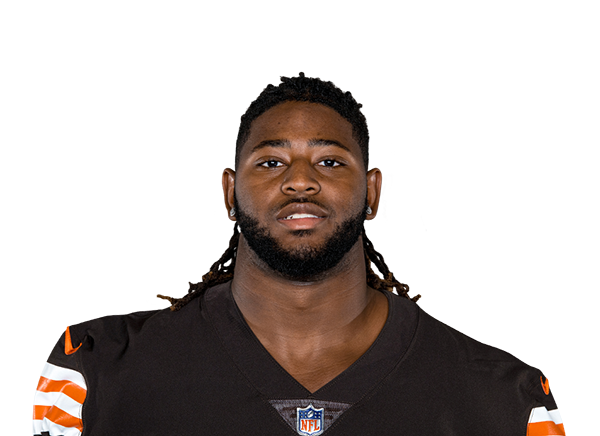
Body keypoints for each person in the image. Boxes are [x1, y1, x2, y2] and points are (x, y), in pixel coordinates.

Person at [32, 75, 566, 435]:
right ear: (229, 191)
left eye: (330, 161)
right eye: (270, 162)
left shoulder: (512, 406)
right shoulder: (87, 379)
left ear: (373, 190)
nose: (300, 181)